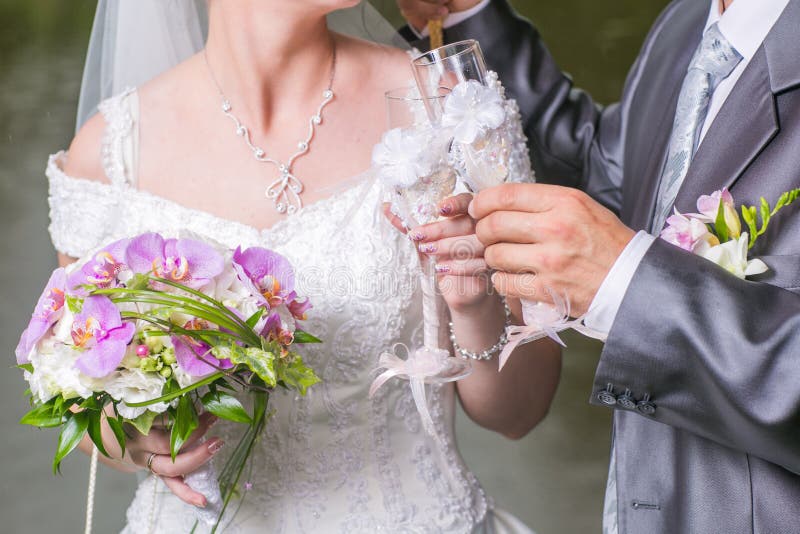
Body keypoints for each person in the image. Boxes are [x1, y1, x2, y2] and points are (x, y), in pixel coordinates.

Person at [46, 0, 561, 532]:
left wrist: (474, 304)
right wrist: (141, 445)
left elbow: (518, 414)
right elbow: (80, 407)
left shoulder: (451, 107)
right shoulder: (110, 153)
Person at [399, 0, 800, 532]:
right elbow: (612, 174)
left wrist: (629, 283)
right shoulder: (687, 23)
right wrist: (464, 17)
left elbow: (618, 256)